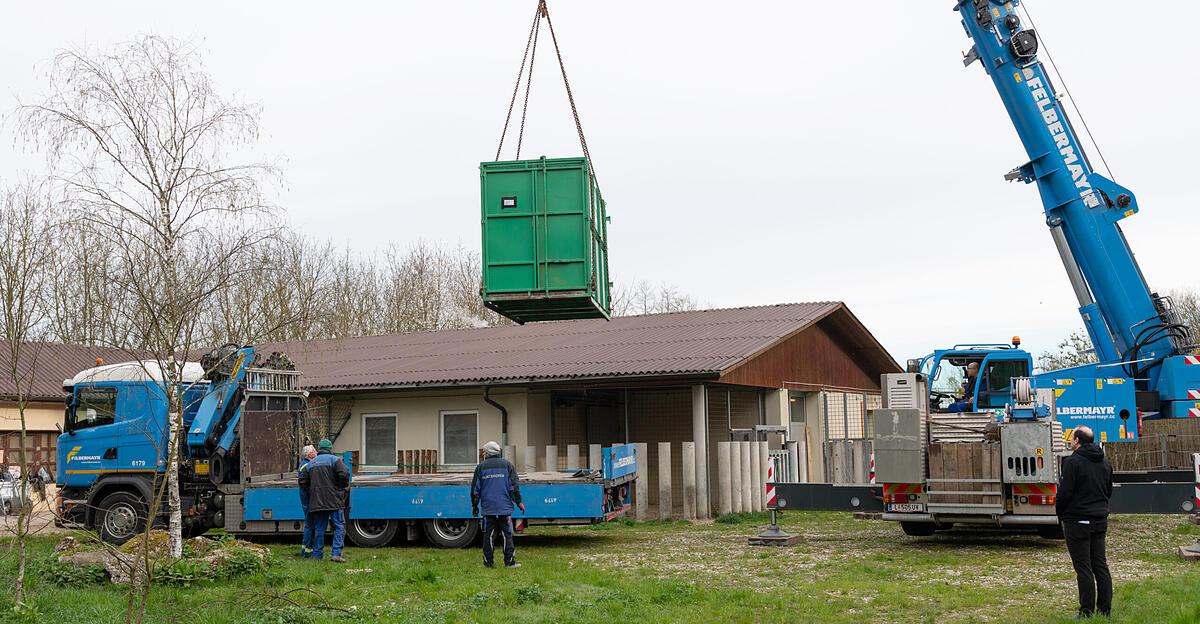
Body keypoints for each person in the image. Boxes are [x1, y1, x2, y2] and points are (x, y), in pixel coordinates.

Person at [1056, 426, 1114, 618]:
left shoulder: (1073, 463)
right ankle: (1105, 611)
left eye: (1072, 437)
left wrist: (1060, 513)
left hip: (1077, 521)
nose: (1070, 440)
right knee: (1100, 566)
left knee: (1083, 568)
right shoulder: (1105, 463)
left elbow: (1064, 493)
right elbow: (1108, 491)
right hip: (1099, 520)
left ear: (1077, 441)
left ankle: (1086, 612)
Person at [470, 441, 523, 569]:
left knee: (489, 534)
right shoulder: (507, 465)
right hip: (504, 507)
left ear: (487, 453)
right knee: (506, 534)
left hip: (489, 508)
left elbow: (475, 489)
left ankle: (488, 563)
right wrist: (519, 502)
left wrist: (475, 505)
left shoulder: (481, 467)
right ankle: (509, 562)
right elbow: (514, 488)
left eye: (483, 452)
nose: (483, 453)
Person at [298, 439, 349, 563]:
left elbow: (303, 481)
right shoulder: (335, 460)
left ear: (319, 449)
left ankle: (317, 555)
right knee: (338, 526)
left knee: (319, 528)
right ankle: (336, 554)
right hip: (334, 501)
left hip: (317, 501)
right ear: (330, 448)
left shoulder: (310, 463)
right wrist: (340, 487)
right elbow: (344, 474)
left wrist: (313, 492)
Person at [297, 444, 318, 557]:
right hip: (308, 499)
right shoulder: (307, 466)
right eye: (314, 451)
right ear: (310, 455)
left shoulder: (304, 464)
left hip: (306, 498)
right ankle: (308, 551)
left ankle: (306, 548)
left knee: (309, 524)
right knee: (310, 524)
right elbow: (307, 484)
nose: (316, 453)